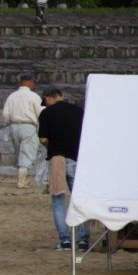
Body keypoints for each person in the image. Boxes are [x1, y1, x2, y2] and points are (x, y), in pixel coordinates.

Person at [37, 86, 88, 251]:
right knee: (79, 200)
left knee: (58, 201)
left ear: (49, 97)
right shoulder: (78, 111)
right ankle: (83, 239)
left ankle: (65, 240)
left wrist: (52, 143)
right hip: (76, 158)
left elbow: (43, 139)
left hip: (56, 159)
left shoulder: (46, 113)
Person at [2, 72, 43, 188]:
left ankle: (21, 179)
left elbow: (5, 114)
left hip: (14, 126)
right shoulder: (34, 96)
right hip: (29, 126)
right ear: (30, 82)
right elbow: (41, 113)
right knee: (26, 154)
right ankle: (21, 182)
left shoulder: (12, 96)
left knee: (19, 153)